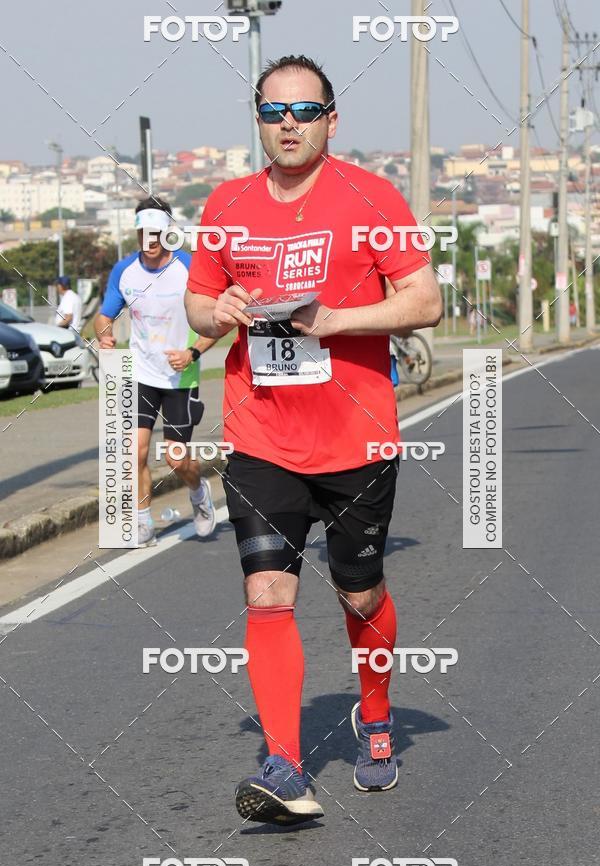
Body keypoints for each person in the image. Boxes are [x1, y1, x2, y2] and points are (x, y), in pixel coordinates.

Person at [185, 55, 441, 825]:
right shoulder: (226, 204)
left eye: (304, 111)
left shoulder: (372, 196)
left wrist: (334, 321)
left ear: (333, 119)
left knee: (358, 592)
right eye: (273, 112)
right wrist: (220, 307)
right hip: (260, 434)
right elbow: (196, 308)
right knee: (267, 593)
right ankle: (287, 768)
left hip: (356, 438)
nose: (288, 125)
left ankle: (374, 710)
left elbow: (424, 299)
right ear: (257, 121)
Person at [95, 196, 217, 546]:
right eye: (142, 234)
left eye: (155, 233)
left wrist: (193, 352)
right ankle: (143, 520)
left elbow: (217, 322)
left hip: (181, 376)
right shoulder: (125, 271)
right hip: (141, 374)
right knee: (135, 452)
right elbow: (105, 315)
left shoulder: (189, 267)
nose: (148, 241)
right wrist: (104, 336)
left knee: (177, 458)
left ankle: (198, 490)